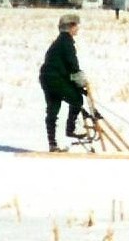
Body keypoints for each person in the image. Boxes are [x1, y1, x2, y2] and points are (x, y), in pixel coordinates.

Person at [39, 13, 91, 152]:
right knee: (77, 99)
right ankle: (71, 129)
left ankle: (52, 143)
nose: (78, 29)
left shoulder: (58, 42)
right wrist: (81, 83)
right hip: (55, 79)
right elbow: (72, 65)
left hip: (46, 78)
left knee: (53, 109)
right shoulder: (66, 42)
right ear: (71, 26)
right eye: (76, 26)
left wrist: (75, 84)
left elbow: (63, 66)